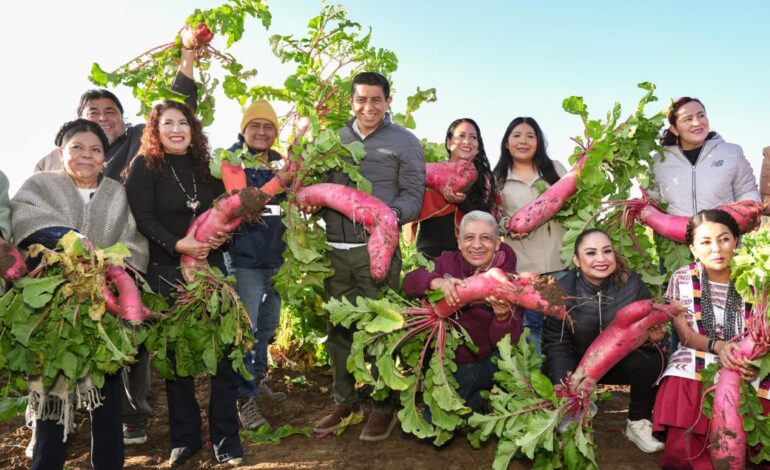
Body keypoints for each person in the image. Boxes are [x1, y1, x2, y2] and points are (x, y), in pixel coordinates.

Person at [11, 119, 149, 470]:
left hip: (103, 309)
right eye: (77, 147)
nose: (86, 155)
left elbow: (132, 241)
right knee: (54, 399)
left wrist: (115, 272)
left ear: (105, 156)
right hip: (57, 308)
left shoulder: (115, 191)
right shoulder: (41, 184)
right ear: (61, 152)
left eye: (95, 149)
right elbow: (25, 220)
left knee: (106, 399)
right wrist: (68, 238)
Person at [306, 71, 424, 441]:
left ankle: (382, 404)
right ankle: (345, 400)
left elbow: (413, 196)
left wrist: (387, 218)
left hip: (379, 250)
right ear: (351, 102)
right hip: (333, 251)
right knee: (338, 329)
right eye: (361, 99)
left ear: (388, 102)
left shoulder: (405, 142)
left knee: (382, 328)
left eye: (376, 99)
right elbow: (314, 187)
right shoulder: (332, 140)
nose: (368, 107)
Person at [124, 101, 243, 467]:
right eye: (166, 123)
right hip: (167, 272)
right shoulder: (144, 168)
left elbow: (225, 216)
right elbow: (143, 219)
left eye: (183, 122)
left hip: (213, 271)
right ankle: (185, 439)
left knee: (226, 356)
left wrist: (222, 239)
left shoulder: (206, 170)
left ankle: (226, 439)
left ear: (193, 129)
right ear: (155, 131)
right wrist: (178, 245)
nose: (176, 129)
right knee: (178, 359)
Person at [652, 210, 770, 468]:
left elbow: (764, 332)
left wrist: (751, 361)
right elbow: (685, 335)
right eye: (705, 242)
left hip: (750, 358)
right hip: (701, 350)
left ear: (736, 241)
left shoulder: (758, 276)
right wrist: (718, 346)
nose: (716, 248)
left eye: (724, 239)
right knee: (681, 371)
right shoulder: (682, 278)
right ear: (693, 249)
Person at [542, 228, 665, 454]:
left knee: (653, 359)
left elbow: (647, 326)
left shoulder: (632, 283)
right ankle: (575, 408)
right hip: (577, 368)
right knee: (551, 368)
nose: (601, 259)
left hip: (619, 363)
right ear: (577, 261)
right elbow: (555, 342)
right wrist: (564, 383)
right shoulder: (560, 290)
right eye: (591, 253)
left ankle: (638, 422)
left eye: (607, 251)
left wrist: (654, 336)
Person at [403, 211, 523, 412]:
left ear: (497, 244)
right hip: (455, 363)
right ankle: (477, 400)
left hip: (492, 361)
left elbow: (508, 342)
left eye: (485, 238)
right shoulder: (446, 262)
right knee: (435, 430)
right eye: (469, 238)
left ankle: (490, 396)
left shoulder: (507, 280)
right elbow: (409, 281)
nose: (476, 245)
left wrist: (503, 317)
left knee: (515, 405)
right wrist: (436, 282)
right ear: (458, 242)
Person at [224, 100, 292, 430]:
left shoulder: (279, 161)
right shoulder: (231, 159)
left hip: (275, 260)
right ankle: (245, 399)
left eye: (269, 127)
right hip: (244, 261)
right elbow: (243, 204)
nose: (262, 132)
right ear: (244, 129)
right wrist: (283, 180)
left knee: (266, 327)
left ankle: (257, 379)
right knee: (245, 333)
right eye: (256, 126)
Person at [34, 45, 198, 181]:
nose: (103, 117)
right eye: (94, 112)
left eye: (110, 111)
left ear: (123, 119)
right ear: (79, 121)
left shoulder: (140, 137)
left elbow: (178, 112)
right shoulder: (50, 162)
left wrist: (187, 53)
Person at [493, 117, 568, 356]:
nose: (523, 141)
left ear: (538, 142)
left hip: (559, 264)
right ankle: (534, 386)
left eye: (530, 136)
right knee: (531, 328)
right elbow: (493, 221)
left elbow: (572, 202)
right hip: (525, 268)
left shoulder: (555, 169)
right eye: (516, 136)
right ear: (506, 143)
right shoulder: (497, 179)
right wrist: (509, 224)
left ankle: (561, 382)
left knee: (560, 325)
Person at [649, 97, 760, 216]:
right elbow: (652, 201)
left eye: (701, 115)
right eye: (688, 119)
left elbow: (747, 191)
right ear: (674, 129)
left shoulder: (732, 153)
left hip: (722, 233)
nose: (697, 123)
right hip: (674, 234)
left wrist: (742, 214)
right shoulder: (658, 161)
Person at [411, 118, 500, 259]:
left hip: (473, 255)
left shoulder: (487, 180)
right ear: (449, 142)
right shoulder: (430, 172)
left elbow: (490, 221)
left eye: (473, 137)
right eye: (461, 136)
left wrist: (463, 202)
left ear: (478, 146)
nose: (467, 141)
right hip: (431, 252)